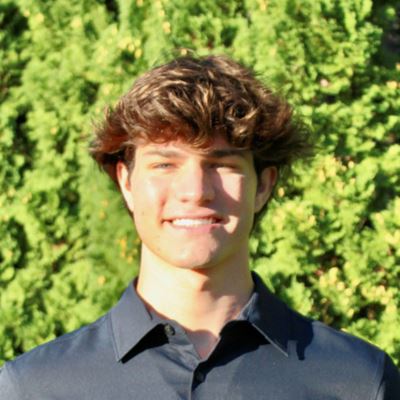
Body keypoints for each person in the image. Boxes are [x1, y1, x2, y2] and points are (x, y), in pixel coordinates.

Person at [0, 55, 399, 399]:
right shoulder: (34, 388)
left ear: (263, 185)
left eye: (221, 164)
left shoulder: (359, 381)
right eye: (164, 164)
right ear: (126, 182)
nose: (195, 191)